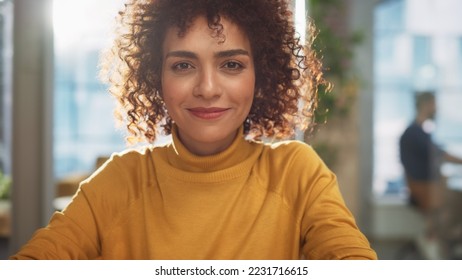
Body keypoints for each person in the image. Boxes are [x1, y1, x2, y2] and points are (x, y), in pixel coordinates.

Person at [11, 0, 376, 260]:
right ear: (156, 77)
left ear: (260, 75)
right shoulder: (119, 182)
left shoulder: (296, 173)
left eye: (231, 64)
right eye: (184, 65)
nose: (207, 88)